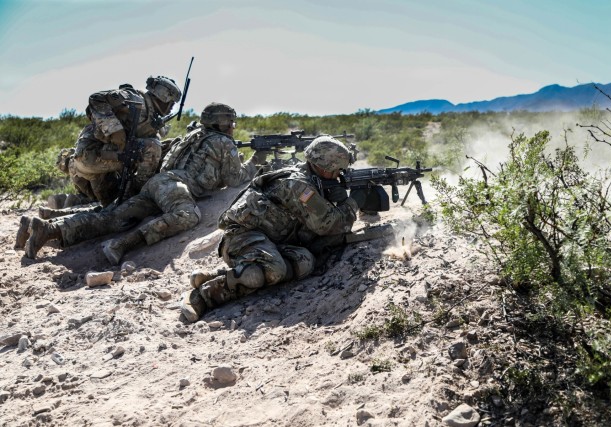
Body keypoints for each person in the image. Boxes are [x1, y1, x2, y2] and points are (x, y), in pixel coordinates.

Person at [19, 102, 266, 263]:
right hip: (173, 187)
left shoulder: (193, 135)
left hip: (157, 183)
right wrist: (257, 162)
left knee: (113, 217)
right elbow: (235, 178)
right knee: (187, 216)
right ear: (223, 123)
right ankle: (122, 244)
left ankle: (50, 229)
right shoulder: (223, 142)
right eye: (231, 123)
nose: (233, 127)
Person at [180, 135, 362, 323]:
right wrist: (352, 203)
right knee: (274, 269)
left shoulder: (312, 179)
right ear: (326, 166)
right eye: (337, 170)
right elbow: (328, 224)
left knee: (304, 261)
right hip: (241, 238)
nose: (339, 175)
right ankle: (202, 297)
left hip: (269, 241)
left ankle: (216, 276)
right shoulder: (299, 185)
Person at [65, 75, 182, 207]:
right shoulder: (135, 98)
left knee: (111, 206)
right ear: (163, 95)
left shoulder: (152, 117)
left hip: (100, 164)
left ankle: (68, 203)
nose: (172, 107)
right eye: (171, 102)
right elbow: (96, 99)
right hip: (93, 154)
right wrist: (115, 131)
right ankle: (141, 195)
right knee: (152, 148)